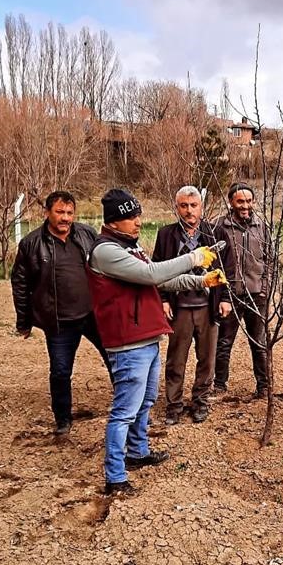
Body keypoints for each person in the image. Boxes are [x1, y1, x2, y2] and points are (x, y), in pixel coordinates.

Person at [86, 188, 226, 495]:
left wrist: (201, 281)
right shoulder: (105, 251)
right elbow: (151, 274)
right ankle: (115, 476)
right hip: (127, 343)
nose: (138, 222)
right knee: (124, 410)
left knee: (146, 401)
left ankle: (137, 452)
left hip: (146, 337)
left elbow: (162, 280)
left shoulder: (130, 247)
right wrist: (192, 258)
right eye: (130, 217)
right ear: (113, 221)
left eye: (138, 216)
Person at [11, 190, 109, 435]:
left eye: (69, 212)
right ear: (47, 213)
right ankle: (63, 420)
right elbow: (20, 284)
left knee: (116, 359)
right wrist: (24, 321)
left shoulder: (86, 234)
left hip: (93, 315)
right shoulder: (32, 244)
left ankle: (131, 411)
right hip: (58, 321)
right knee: (61, 371)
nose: (65, 218)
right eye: (60, 212)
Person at [152, 185, 233, 425]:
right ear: (177, 207)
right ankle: (174, 405)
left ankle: (201, 402)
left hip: (208, 306)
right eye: (184, 206)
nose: (189, 211)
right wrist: (164, 300)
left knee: (207, 359)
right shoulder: (166, 235)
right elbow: (157, 270)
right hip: (180, 307)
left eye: (193, 205)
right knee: (176, 359)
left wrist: (226, 298)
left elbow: (229, 268)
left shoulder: (216, 234)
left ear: (201, 207)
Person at [213, 182, 270, 399]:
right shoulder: (219, 227)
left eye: (248, 201)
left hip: (257, 295)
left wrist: (264, 288)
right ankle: (219, 385)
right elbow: (213, 261)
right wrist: (220, 291)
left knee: (259, 342)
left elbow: (270, 260)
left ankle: (264, 386)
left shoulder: (262, 227)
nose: (245, 205)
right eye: (240, 201)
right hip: (230, 295)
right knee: (224, 342)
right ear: (231, 202)